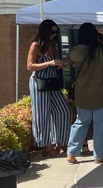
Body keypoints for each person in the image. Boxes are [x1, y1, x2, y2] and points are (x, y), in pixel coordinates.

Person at [65, 23, 103, 164]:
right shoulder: (102, 50)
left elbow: (71, 63)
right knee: (100, 124)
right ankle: (98, 156)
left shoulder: (75, 51)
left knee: (81, 122)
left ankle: (71, 153)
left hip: (83, 92)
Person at [27, 19, 72, 158]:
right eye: (52, 32)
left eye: (56, 32)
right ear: (45, 31)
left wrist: (59, 64)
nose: (54, 35)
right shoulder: (35, 45)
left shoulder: (53, 45)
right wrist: (49, 63)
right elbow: (29, 66)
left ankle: (60, 141)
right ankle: (45, 147)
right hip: (39, 82)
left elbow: (54, 62)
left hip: (51, 82)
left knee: (64, 111)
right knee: (42, 115)